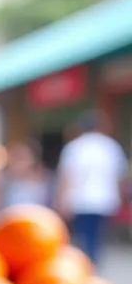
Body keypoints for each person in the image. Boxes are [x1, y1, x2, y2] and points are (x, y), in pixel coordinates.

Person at [56, 112, 128, 265]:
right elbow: (119, 176)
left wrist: (62, 198)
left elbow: (67, 175)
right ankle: (93, 261)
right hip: (105, 199)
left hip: (80, 199)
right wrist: (121, 197)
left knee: (83, 234)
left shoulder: (74, 147)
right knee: (97, 235)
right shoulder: (110, 146)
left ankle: (86, 262)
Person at [0, 139, 50, 209]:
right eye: (16, 159)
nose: (19, 164)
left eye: (22, 159)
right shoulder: (3, 182)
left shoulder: (42, 183)